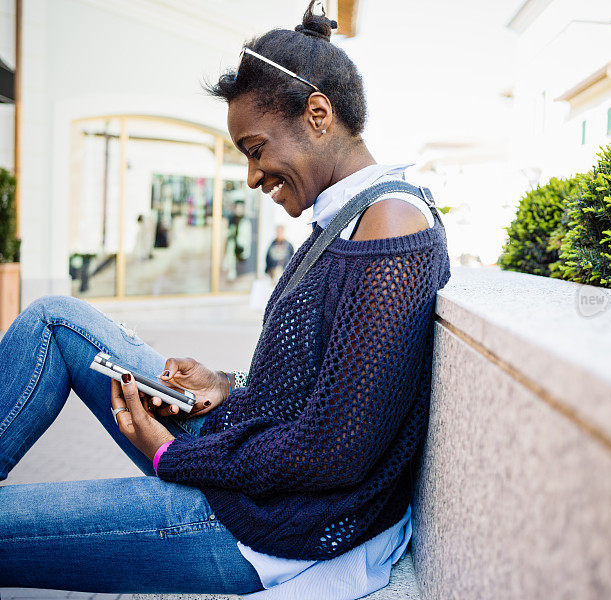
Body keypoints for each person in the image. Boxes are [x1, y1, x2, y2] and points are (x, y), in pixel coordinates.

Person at [0, 2, 449, 598]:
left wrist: (172, 459)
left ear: (318, 115)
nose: (253, 176)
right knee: (55, 321)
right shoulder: (344, 218)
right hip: (251, 467)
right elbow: (331, 381)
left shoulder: (390, 225)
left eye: (256, 148)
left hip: (271, 528)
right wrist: (228, 382)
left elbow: (336, 451)